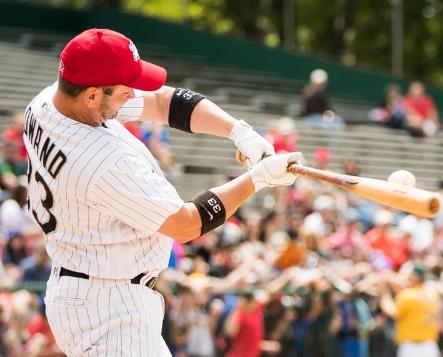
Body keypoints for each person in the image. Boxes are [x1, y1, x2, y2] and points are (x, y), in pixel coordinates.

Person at [24, 28, 302, 356]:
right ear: (92, 95)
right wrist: (256, 180)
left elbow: (163, 101)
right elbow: (186, 224)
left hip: (94, 290)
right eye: (125, 90)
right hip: (109, 308)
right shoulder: (101, 162)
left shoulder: (50, 101)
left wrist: (239, 132)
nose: (133, 95)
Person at [381, 264, 441, 357]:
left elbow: (392, 312)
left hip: (411, 347)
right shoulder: (432, 294)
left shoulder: (408, 295)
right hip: (430, 345)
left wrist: (384, 293)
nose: (406, 281)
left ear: (415, 278)